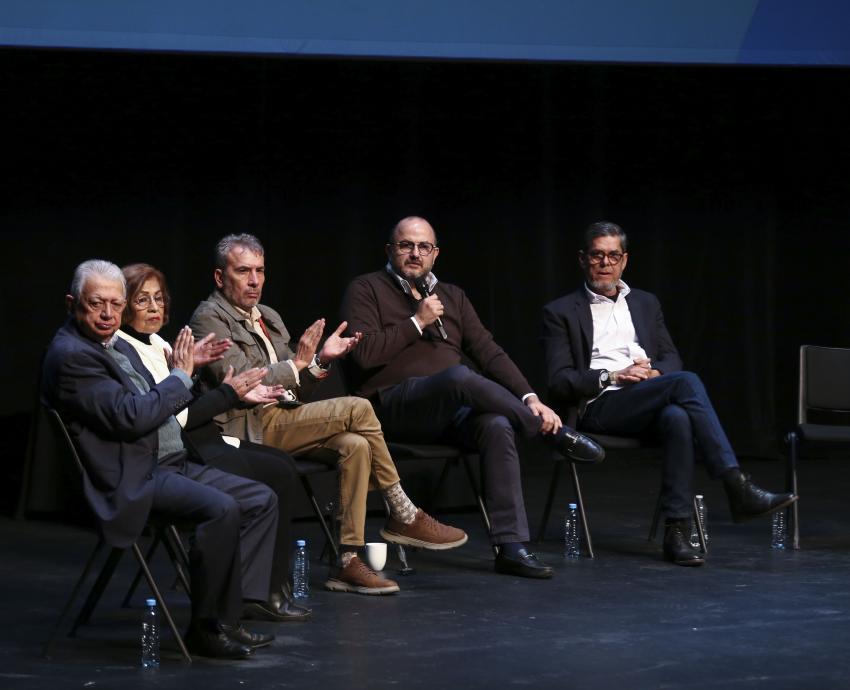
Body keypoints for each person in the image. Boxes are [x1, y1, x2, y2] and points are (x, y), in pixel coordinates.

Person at [189, 234, 467, 596]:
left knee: (354, 444)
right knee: (359, 407)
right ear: (219, 277)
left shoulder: (268, 317)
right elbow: (242, 381)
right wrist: (300, 362)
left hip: (284, 416)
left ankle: (348, 561)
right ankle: (403, 511)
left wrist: (321, 361)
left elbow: (296, 388)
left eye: (259, 270)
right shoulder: (208, 317)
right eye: (243, 271)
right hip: (247, 429)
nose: (255, 280)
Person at [340, 216, 604, 579]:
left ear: (435, 254)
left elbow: (489, 352)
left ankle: (511, 547)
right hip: (393, 409)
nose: (415, 253)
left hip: (449, 413)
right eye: (406, 245)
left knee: (495, 424)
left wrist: (530, 398)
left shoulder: (451, 296)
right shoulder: (366, 289)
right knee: (460, 377)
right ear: (390, 250)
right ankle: (549, 435)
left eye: (424, 247)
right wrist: (416, 322)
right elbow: (364, 355)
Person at [41, 259, 279, 659]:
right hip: (132, 475)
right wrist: (181, 376)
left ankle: (229, 616)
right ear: (72, 303)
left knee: (259, 498)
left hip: (166, 461)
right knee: (221, 509)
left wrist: (181, 371)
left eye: (116, 305)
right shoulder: (72, 357)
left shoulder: (112, 344)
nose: (108, 315)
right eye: (97, 304)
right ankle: (204, 629)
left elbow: (154, 400)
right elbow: (133, 418)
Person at [540, 221, 797, 566]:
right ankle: (736, 485)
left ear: (625, 260)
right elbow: (559, 380)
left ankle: (676, 532)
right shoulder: (560, 311)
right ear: (583, 259)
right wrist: (615, 374)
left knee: (677, 417)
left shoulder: (645, 303)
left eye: (613, 256)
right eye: (597, 255)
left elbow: (671, 357)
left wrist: (654, 373)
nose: (606, 263)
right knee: (686, 382)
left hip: (645, 397)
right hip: (599, 405)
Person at [116, 262, 310, 623]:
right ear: (124, 305)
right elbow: (176, 417)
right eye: (143, 300)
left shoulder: (158, 343)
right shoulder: (124, 350)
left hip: (202, 440)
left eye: (159, 299)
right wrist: (227, 392)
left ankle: (268, 584)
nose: (154, 308)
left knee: (282, 466)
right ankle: (260, 590)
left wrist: (194, 370)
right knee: (274, 475)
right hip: (188, 449)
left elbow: (181, 400)